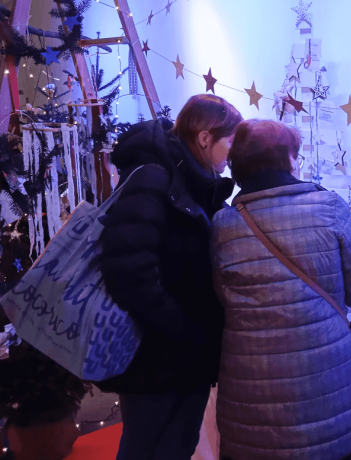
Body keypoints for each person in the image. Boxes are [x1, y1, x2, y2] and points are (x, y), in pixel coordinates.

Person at [211, 119, 351, 460]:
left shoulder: (222, 225)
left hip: (251, 406)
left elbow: (220, 300)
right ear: (288, 160)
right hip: (330, 397)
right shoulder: (329, 207)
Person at [96, 94, 242, 460]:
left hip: (184, 354)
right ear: (206, 138)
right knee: (146, 450)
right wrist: (186, 330)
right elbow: (128, 273)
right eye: (230, 143)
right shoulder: (153, 176)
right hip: (155, 354)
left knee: (177, 448)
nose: (233, 156)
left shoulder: (193, 179)